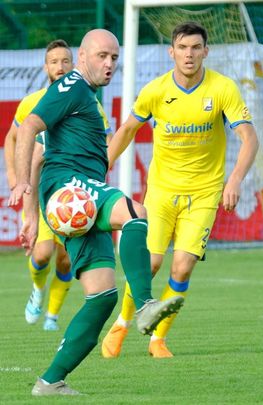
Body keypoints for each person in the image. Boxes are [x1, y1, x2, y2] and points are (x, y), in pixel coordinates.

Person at [9, 29, 184, 396]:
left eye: (114, 58)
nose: (109, 64)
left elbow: (44, 149)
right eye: (102, 56)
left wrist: (32, 216)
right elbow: (28, 128)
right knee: (135, 212)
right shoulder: (72, 86)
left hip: (74, 200)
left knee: (102, 296)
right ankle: (145, 305)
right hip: (69, 190)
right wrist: (20, 184)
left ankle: (50, 381)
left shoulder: (84, 96)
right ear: (83, 57)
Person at [101, 21, 259, 358]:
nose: (189, 54)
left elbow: (249, 139)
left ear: (206, 51)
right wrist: (102, 167)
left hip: (204, 193)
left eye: (195, 48)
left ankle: (158, 340)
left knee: (183, 267)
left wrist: (234, 180)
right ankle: (122, 324)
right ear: (171, 52)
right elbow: (127, 130)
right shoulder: (155, 91)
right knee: (151, 264)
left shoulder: (223, 88)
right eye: (183, 48)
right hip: (161, 192)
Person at [5, 39, 103, 331]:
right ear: (45, 67)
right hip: (42, 190)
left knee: (64, 261)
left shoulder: (88, 99)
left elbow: (106, 140)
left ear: (74, 64)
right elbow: (13, 137)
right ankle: (37, 289)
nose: (60, 67)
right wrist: (14, 176)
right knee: (41, 253)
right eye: (54, 62)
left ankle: (52, 316)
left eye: (65, 61)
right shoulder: (32, 103)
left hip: (73, 192)